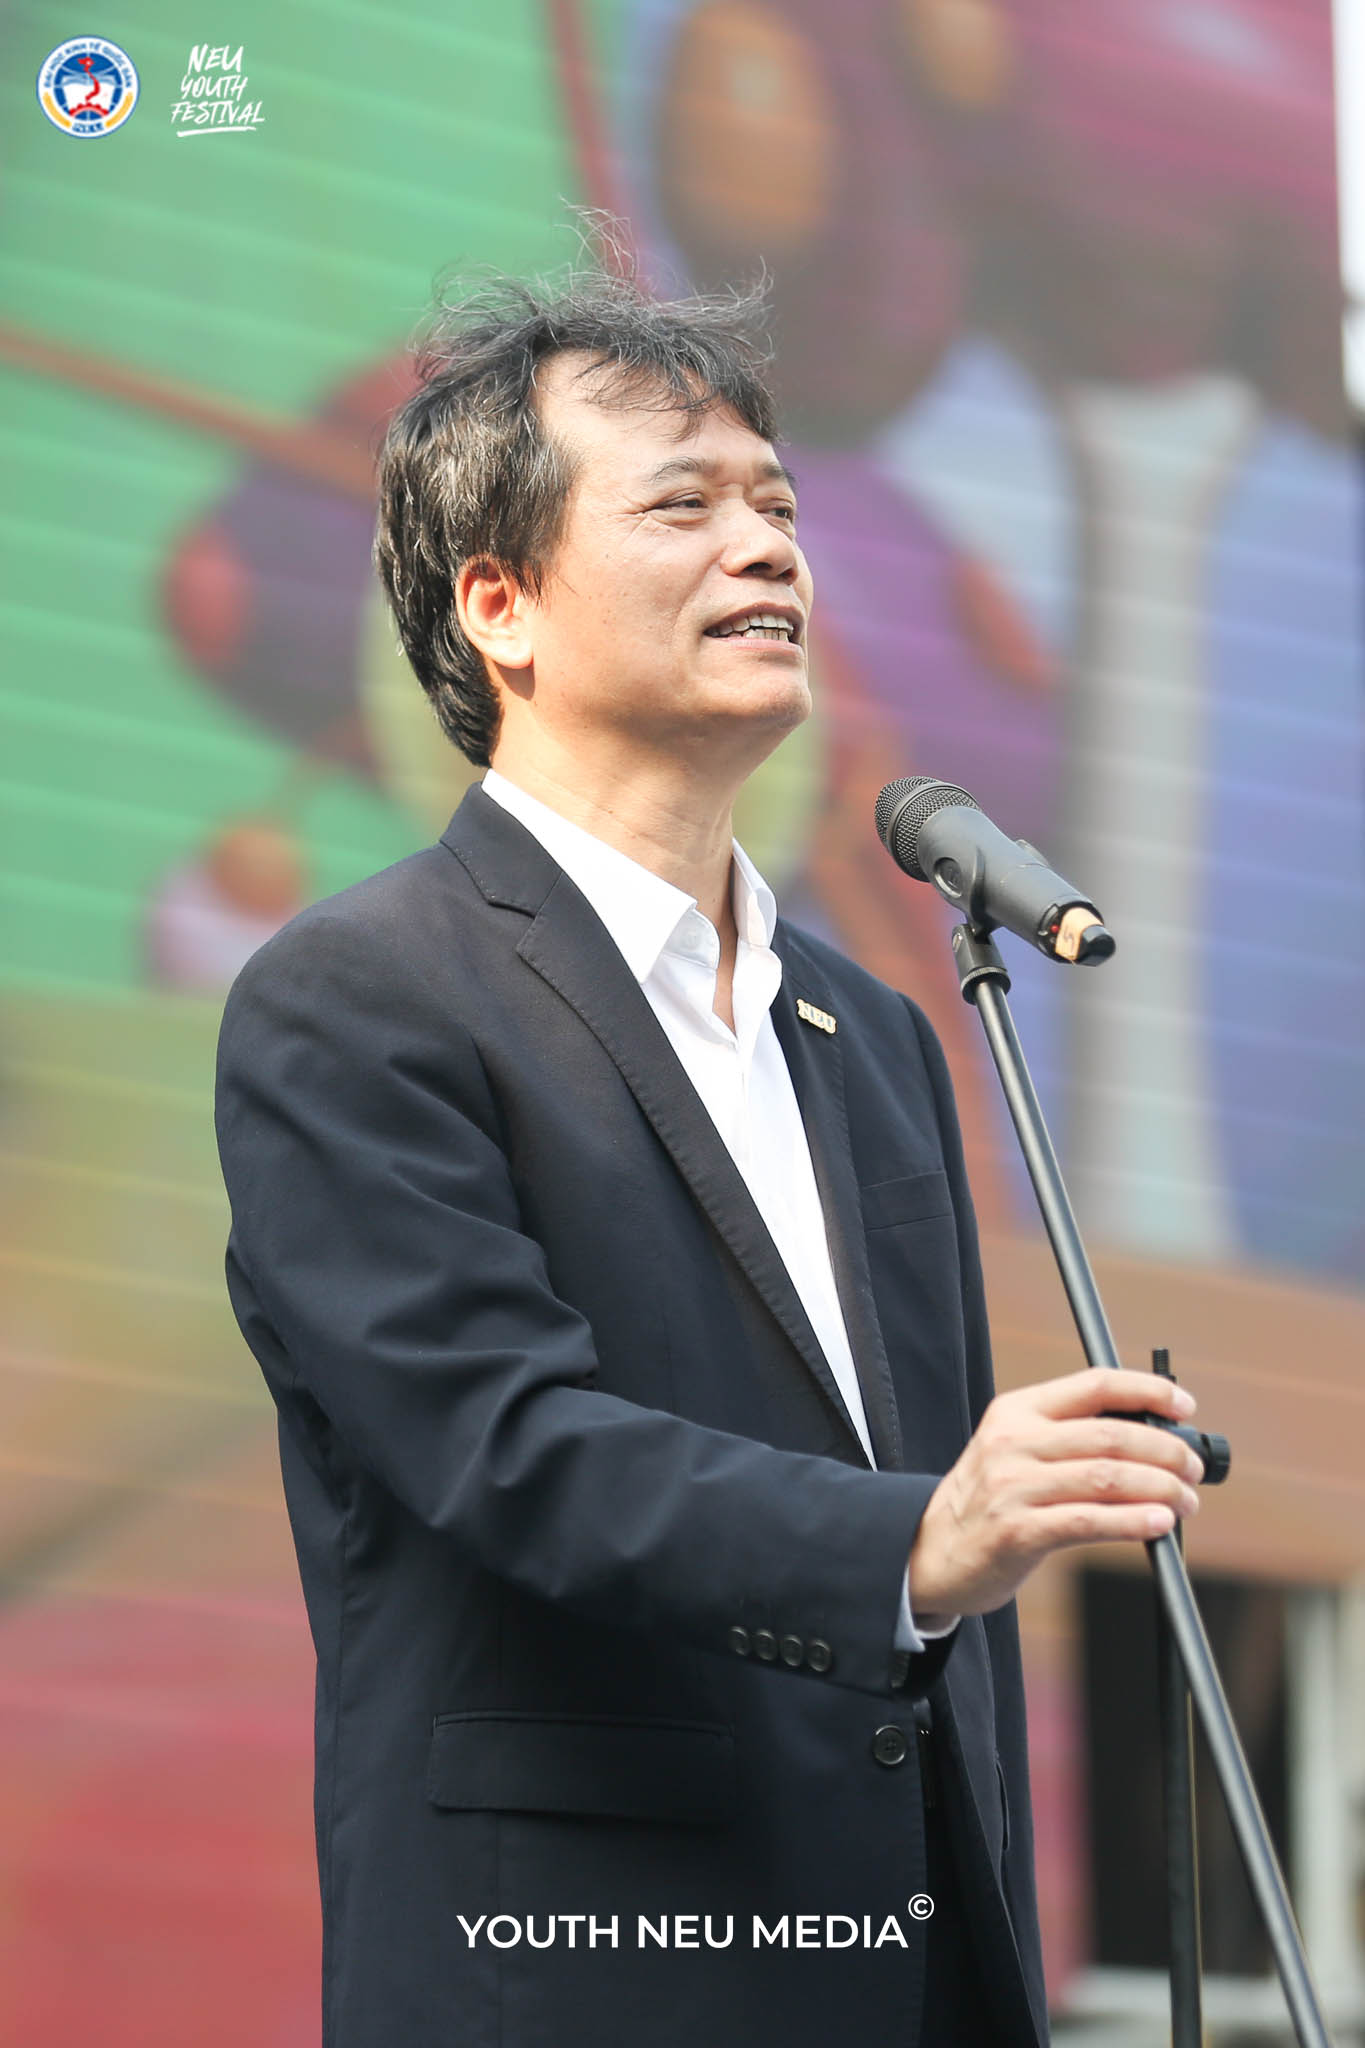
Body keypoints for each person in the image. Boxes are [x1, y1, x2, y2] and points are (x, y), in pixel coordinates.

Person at [215, 270, 1203, 2048]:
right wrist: (924, 1533)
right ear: (499, 606)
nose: (765, 549)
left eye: (777, 507)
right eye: (681, 505)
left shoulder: (874, 1030)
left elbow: (926, 1529)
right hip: (578, 1970)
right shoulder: (358, 995)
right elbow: (505, 1450)